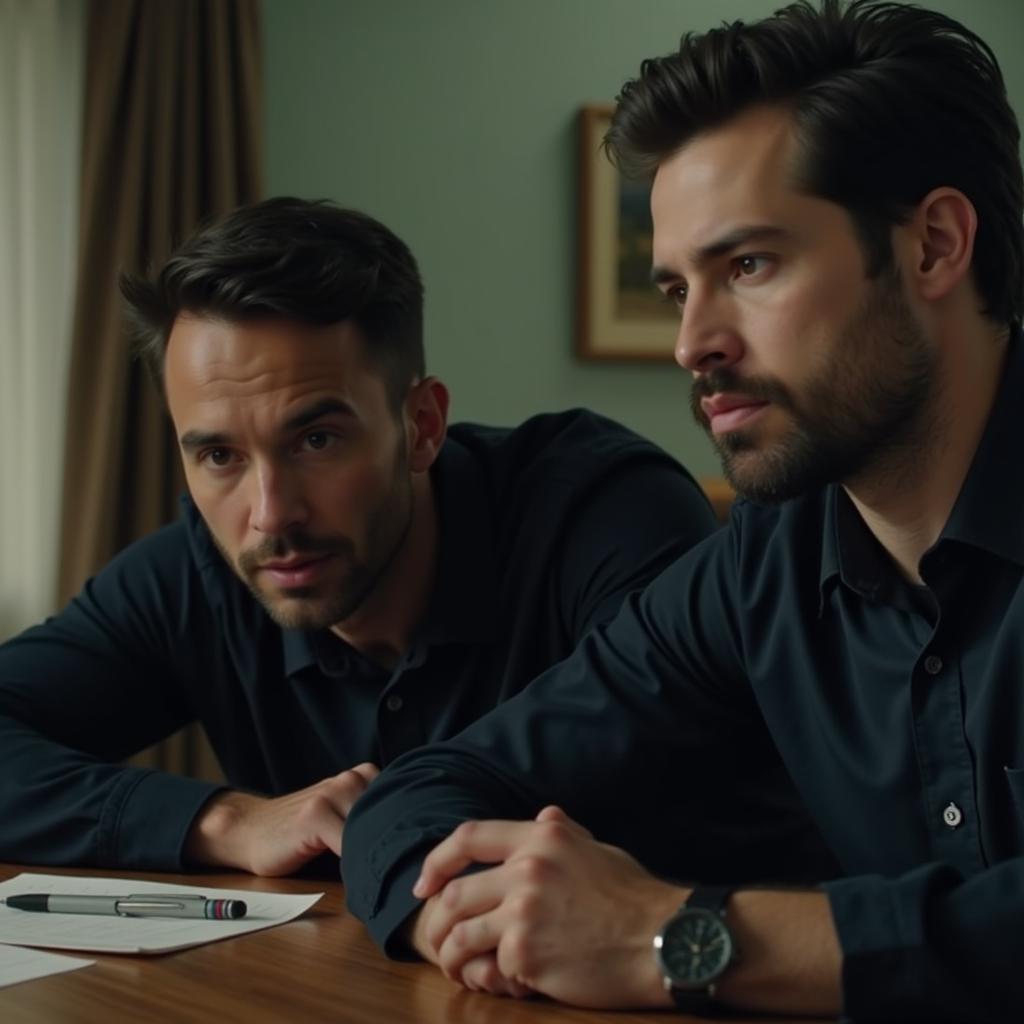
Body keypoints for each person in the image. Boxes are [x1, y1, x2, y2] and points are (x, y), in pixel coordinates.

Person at [340, 1, 1024, 1020]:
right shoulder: (762, 564)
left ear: (931, 245)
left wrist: (678, 936)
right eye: (674, 289)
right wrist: (493, 912)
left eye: (748, 265)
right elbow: (426, 788)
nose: (690, 342)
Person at [0, 197, 728, 877]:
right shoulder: (194, 574)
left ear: (422, 426)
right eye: (219, 456)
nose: (270, 514)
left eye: (315, 439)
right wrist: (222, 821)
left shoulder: (604, 516)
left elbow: (694, 802)